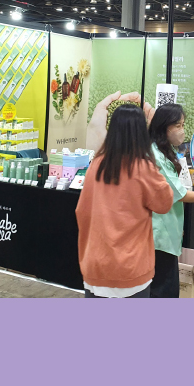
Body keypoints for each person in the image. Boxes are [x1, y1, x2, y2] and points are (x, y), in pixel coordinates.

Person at [76, 104, 173, 298]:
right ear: (141, 132)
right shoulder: (143, 167)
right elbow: (165, 203)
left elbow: (82, 211)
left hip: (96, 264)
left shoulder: (96, 164)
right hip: (131, 268)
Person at [148, 104, 194, 298]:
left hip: (167, 228)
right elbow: (178, 193)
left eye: (182, 125)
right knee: (163, 289)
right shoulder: (156, 155)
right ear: (164, 127)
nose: (181, 130)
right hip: (159, 233)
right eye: (177, 125)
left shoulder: (164, 151)